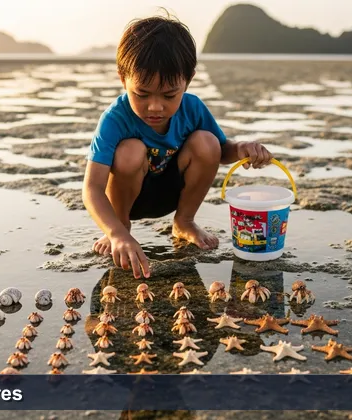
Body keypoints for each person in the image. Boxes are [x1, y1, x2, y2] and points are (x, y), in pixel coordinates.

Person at [82, 12, 274, 279]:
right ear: (122, 78)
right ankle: (123, 228)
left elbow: (220, 150)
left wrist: (242, 148)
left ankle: (184, 222)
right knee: (130, 151)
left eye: (170, 95)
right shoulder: (114, 119)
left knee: (206, 141)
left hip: (172, 193)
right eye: (142, 94)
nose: (156, 106)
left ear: (188, 79)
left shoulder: (193, 108)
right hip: (129, 198)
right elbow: (92, 188)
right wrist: (114, 232)